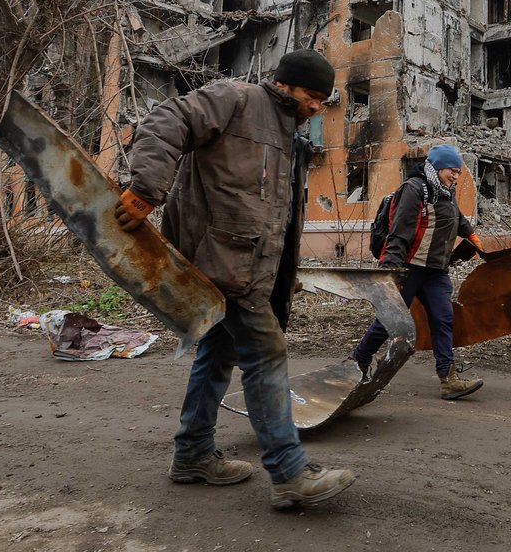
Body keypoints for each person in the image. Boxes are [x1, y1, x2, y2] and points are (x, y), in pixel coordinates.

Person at [113, 48, 355, 511]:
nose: (316, 107)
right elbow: (166, 120)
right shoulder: (236, 100)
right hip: (219, 262)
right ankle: (288, 473)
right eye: (312, 95)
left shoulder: (290, 138)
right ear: (285, 84)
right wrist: (146, 189)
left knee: (217, 353)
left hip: (247, 267)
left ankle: (193, 454)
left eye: (323, 100)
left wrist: (284, 275)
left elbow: (272, 215)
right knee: (266, 355)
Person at [351, 144, 486, 400]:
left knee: (443, 318)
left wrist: (472, 236)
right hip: (408, 268)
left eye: (458, 172)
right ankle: (358, 361)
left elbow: (457, 218)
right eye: (451, 170)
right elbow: (399, 234)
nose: (455, 176)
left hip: (436, 271)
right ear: (436, 167)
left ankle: (448, 379)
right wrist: (391, 273)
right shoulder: (414, 190)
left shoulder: (446, 191)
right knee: (391, 320)